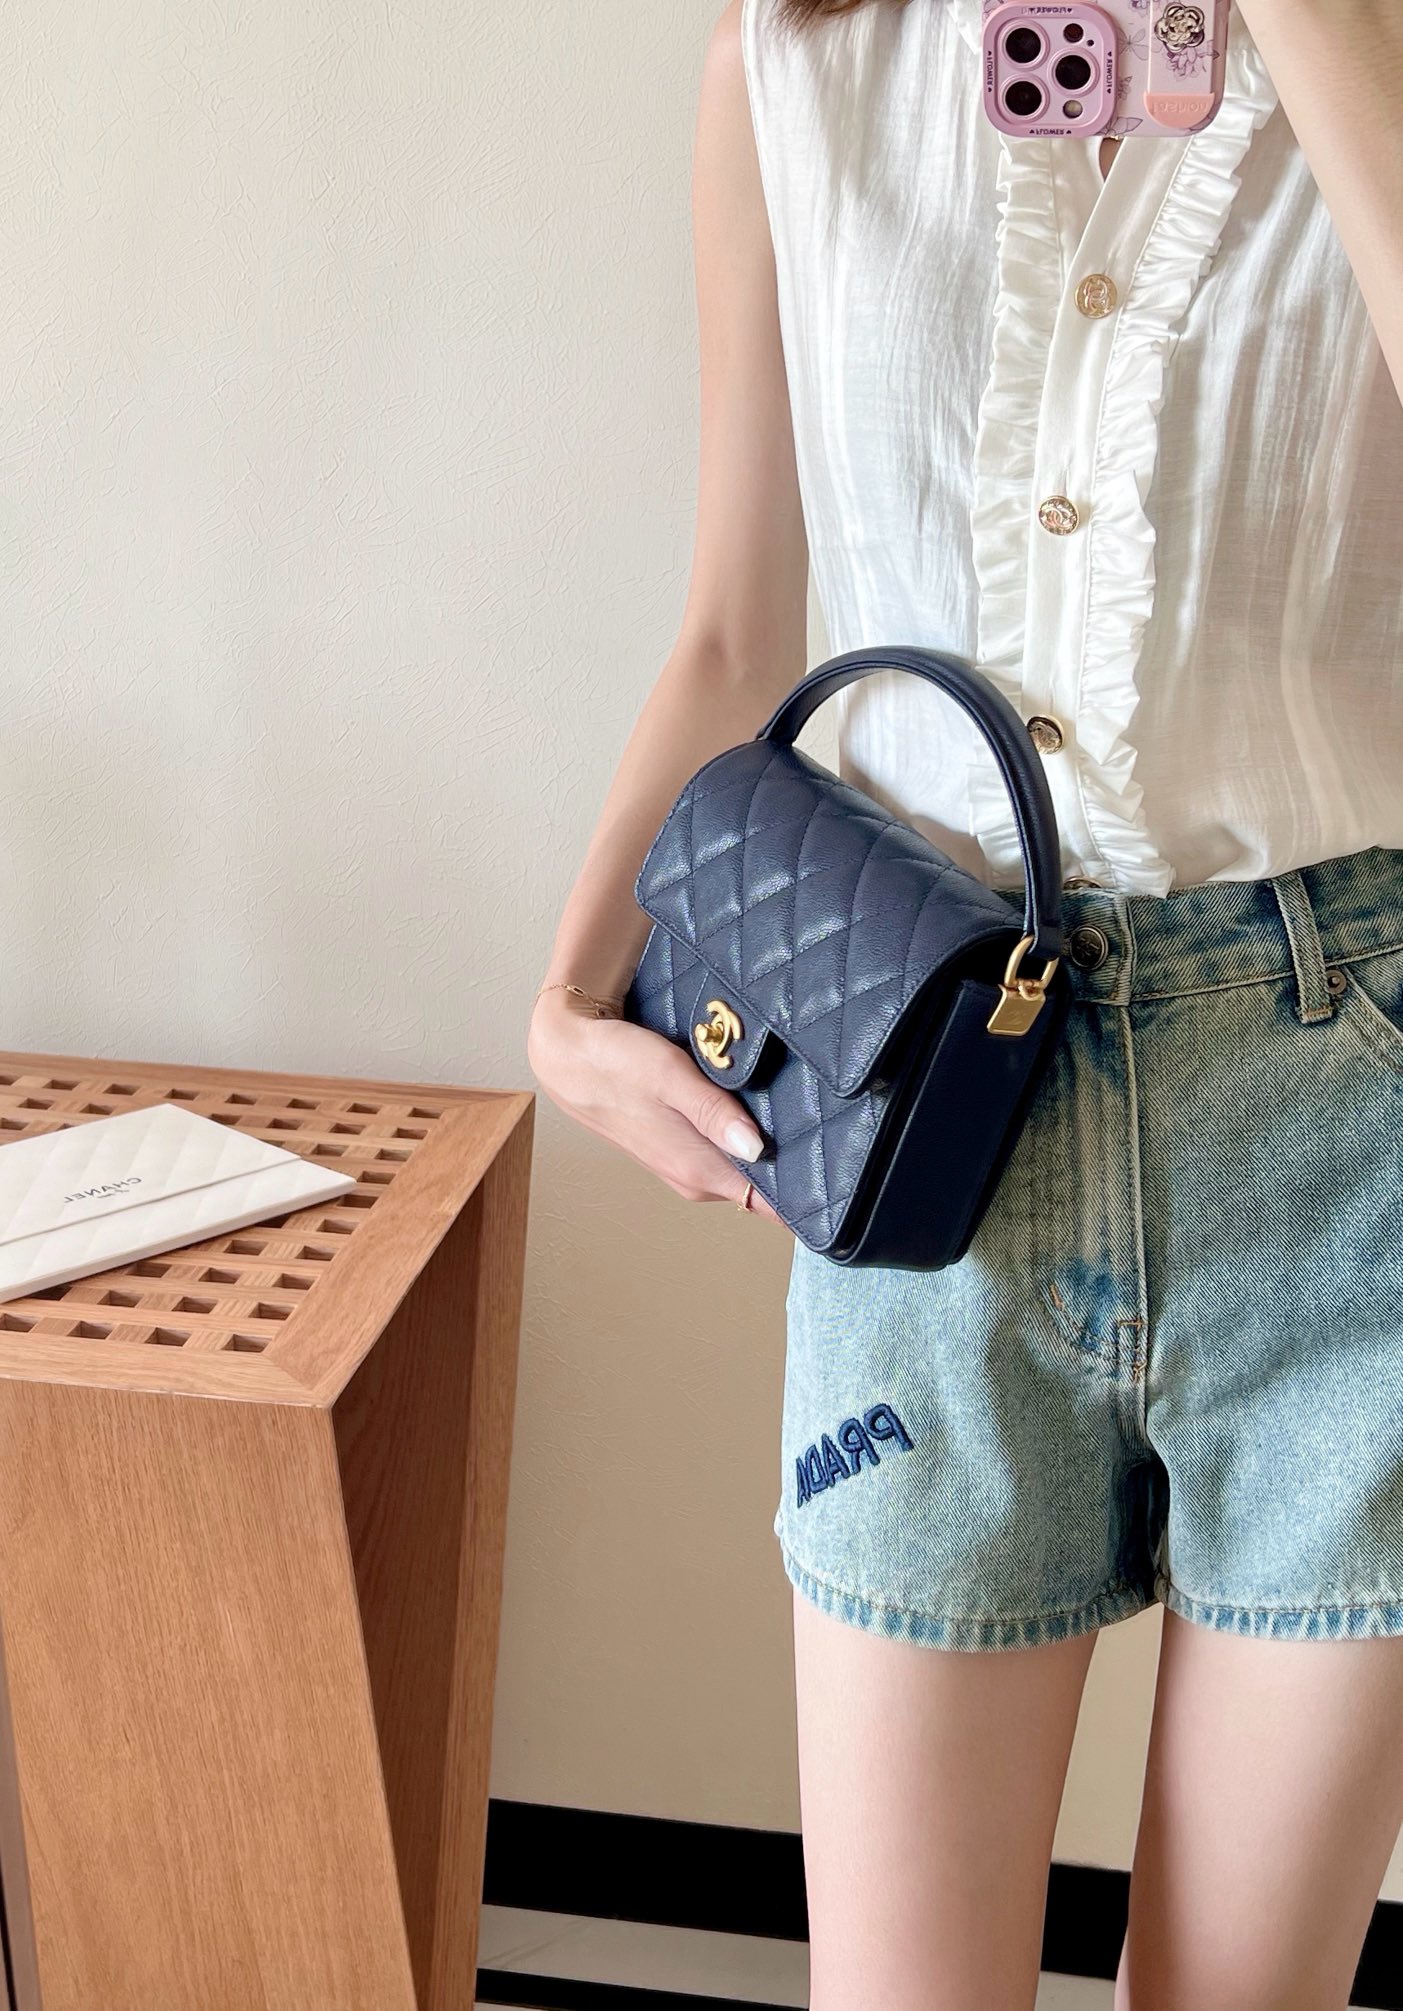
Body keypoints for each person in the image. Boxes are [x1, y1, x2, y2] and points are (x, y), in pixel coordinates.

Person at [527, 0, 1403, 2003]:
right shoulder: (795, 63)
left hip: (1353, 1125)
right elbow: (737, 626)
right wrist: (568, 993)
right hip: (927, 1091)